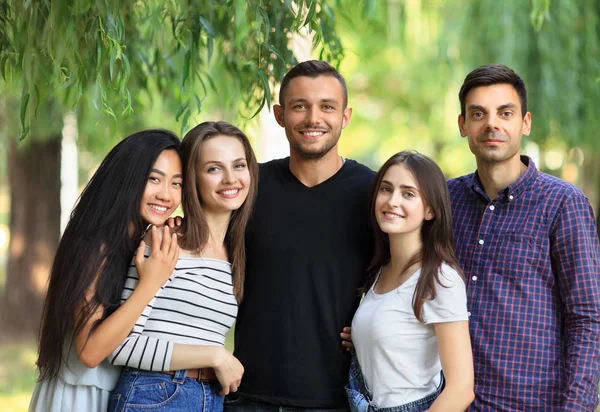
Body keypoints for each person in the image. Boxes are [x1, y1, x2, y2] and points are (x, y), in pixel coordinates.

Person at [448, 63, 600, 411]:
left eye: (505, 112)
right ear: (462, 125)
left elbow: (587, 319)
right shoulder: (445, 201)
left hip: (530, 404)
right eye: (478, 113)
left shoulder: (563, 204)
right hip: (451, 402)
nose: (492, 124)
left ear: (525, 123)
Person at [226, 60, 376, 410]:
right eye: (299, 106)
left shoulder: (374, 194)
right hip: (248, 396)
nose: (313, 118)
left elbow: (406, 275)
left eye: (327, 106)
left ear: (345, 116)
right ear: (280, 115)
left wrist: (377, 327)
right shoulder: (247, 188)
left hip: (339, 400)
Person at [107, 121, 258, 412]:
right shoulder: (164, 242)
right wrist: (215, 356)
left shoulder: (234, 252)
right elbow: (120, 346)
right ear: (192, 178)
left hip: (207, 397)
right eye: (214, 169)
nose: (230, 178)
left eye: (238, 165)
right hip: (155, 395)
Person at [29, 129, 183, 412]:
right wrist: (150, 283)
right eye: (154, 179)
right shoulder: (95, 245)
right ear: (128, 178)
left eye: (177, 183)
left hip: (115, 394)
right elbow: (90, 351)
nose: (166, 194)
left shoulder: (134, 242)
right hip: (78, 398)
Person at [347, 151, 474, 412]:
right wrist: (363, 336)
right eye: (386, 189)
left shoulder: (440, 278)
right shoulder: (381, 270)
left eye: (408, 193)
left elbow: (461, 388)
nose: (393, 201)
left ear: (429, 210)